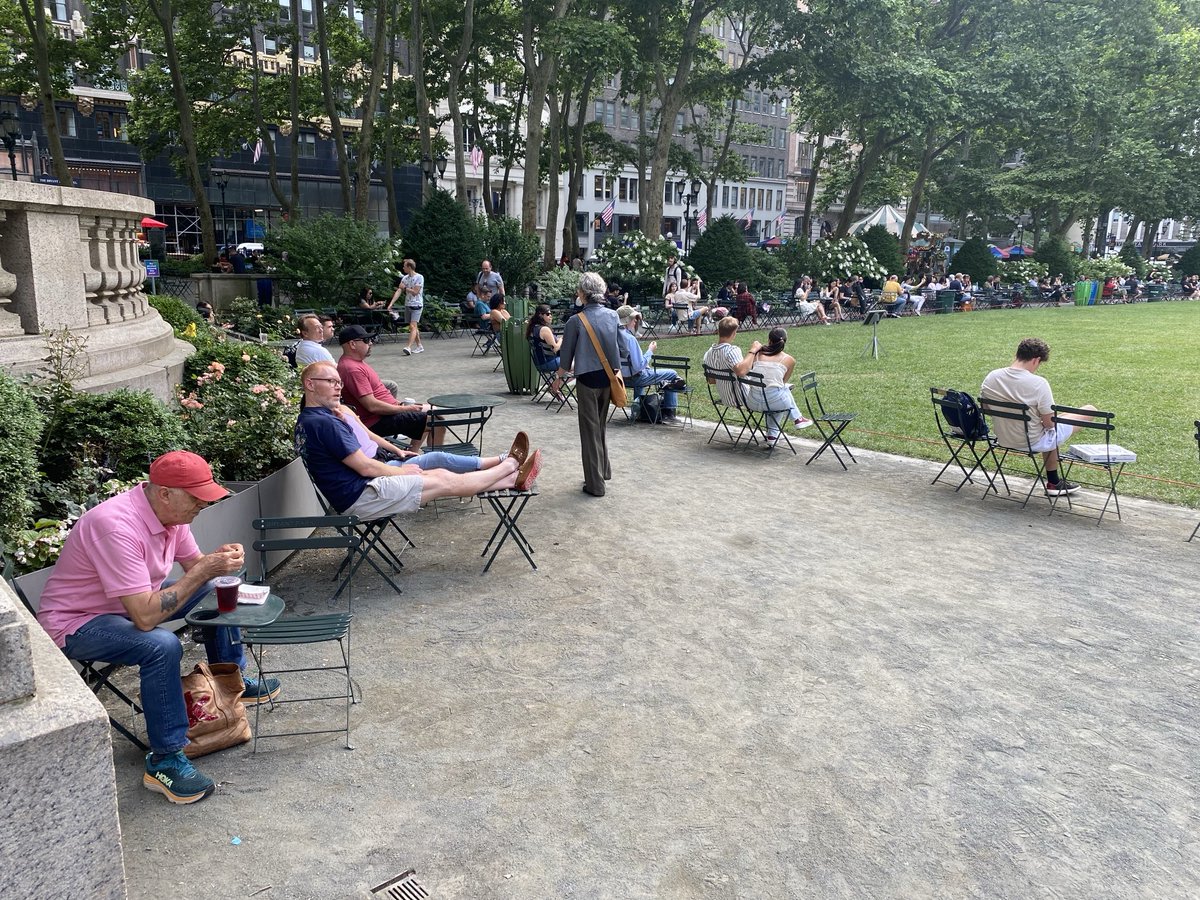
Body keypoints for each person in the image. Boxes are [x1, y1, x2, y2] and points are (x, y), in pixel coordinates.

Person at [35, 450, 280, 805]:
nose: (202, 505)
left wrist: (220, 563)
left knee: (216, 590)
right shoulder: (116, 526)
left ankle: (232, 681)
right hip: (77, 622)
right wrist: (204, 571)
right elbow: (145, 618)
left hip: (126, 610)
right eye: (196, 497)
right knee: (161, 645)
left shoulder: (172, 517)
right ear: (165, 492)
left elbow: (198, 569)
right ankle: (165, 760)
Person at [296, 363, 541, 519]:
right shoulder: (324, 423)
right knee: (441, 478)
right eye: (331, 382)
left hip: (361, 488)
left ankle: (510, 476)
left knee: (437, 471)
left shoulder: (312, 419)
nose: (338, 388)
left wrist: (398, 462)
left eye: (339, 383)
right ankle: (509, 466)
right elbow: (365, 466)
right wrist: (399, 473)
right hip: (361, 497)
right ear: (310, 384)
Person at [980, 337, 1096, 496]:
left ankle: (1054, 482)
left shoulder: (992, 377)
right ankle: (1053, 482)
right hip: (1032, 441)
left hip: (1003, 438)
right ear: (1036, 360)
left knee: (1051, 425)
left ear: (1017, 354)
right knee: (1089, 410)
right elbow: (1050, 425)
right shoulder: (1038, 383)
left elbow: (987, 409)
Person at [557, 271, 622, 497]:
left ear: (583, 294)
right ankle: (603, 471)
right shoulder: (613, 316)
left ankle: (595, 484)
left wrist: (557, 380)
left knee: (589, 432)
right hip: (608, 378)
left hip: (586, 380)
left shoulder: (575, 322)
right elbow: (621, 347)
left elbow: (565, 359)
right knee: (600, 427)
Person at [336, 325, 432, 449]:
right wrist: (405, 409)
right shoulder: (352, 369)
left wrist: (401, 405)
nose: (371, 343)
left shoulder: (355, 363)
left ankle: (414, 454)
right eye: (366, 340)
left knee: (434, 412)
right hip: (376, 421)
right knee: (434, 420)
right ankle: (424, 457)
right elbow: (372, 406)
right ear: (352, 344)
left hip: (386, 413)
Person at [736, 327, 813, 441]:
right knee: (782, 391)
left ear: (769, 340)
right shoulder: (789, 360)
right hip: (774, 402)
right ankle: (796, 418)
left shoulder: (756, 355)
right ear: (784, 342)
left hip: (752, 401)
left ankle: (773, 434)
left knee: (776, 392)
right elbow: (782, 382)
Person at [616, 305, 682, 424]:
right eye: (634, 318)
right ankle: (669, 413)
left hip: (620, 379)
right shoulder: (630, 339)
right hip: (636, 377)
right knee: (672, 374)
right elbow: (638, 366)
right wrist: (650, 351)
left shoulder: (613, 336)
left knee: (640, 379)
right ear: (627, 320)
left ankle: (639, 411)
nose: (636, 320)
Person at [526, 304, 567, 401]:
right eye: (548, 314)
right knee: (573, 363)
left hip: (539, 363)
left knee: (565, 364)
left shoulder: (532, 328)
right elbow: (555, 349)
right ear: (541, 315)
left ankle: (554, 386)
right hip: (548, 363)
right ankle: (555, 387)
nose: (550, 316)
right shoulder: (544, 329)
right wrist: (562, 338)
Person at [391, 258, 425, 356]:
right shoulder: (405, 278)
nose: (403, 268)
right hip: (408, 304)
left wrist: (405, 288)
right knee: (413, 327)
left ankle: (408, 347)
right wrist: (391, 303)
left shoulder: (419, 277)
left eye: (404, 266)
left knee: (413, 326)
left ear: (409, 267)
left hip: (417, 304)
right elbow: (399, 290)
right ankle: (419, 346)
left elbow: (415, 292)